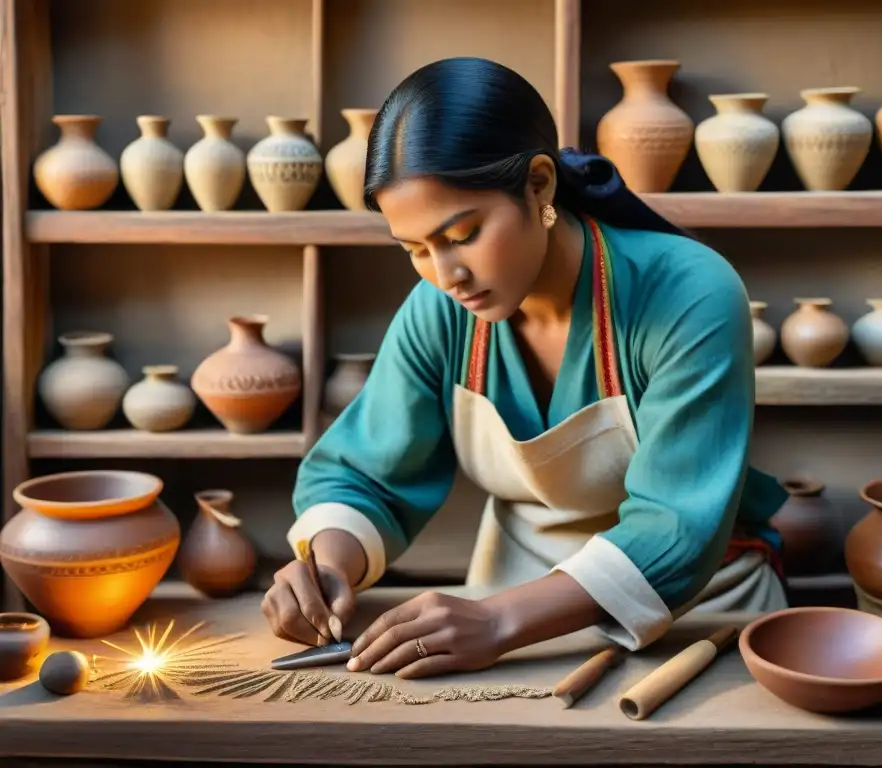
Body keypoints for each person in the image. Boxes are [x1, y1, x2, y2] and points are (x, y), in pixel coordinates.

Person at [261, 56, 790, 679]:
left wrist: (498, 623)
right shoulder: (440, 310)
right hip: (496, 622)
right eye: (416, 250)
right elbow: (365, 473)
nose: (446, 275)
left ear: (539, 186)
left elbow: (675, 528)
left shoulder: (687, 292)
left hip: (696, 622)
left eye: (462, 233)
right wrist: (328, 566)